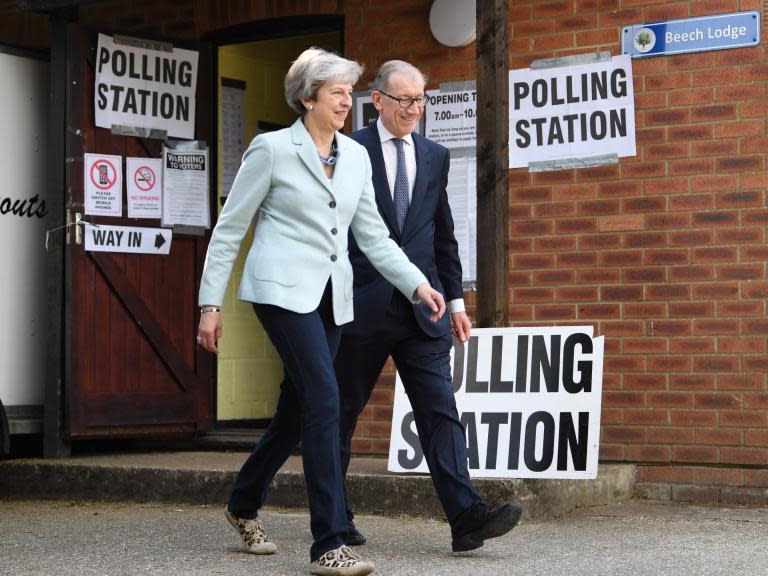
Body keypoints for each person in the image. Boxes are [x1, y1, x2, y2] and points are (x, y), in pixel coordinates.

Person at [196, 48, 446, 576]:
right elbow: (230, 230)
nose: (344, 101)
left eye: (347, 92)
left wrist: (419, 284)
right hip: (280, 292)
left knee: (296, 411)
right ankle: (329, 543)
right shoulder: (271, 150)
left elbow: (373, 235)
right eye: (335, 91)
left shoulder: (355, 156)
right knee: (326, 399)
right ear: (307, 96)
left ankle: (242, 503)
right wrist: (209, 305)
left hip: (335, 296)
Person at [335, 60, 523, 553]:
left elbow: (443, 234)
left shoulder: (435, 156)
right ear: (376, 101)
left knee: (440, 411)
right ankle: (335, 516)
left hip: (425, 310)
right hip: (360, 306)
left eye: (421, 99)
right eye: (404, 100)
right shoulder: (346, 150)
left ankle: (466, 518)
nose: (414, 109)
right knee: (341, 412)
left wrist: (457, 299)